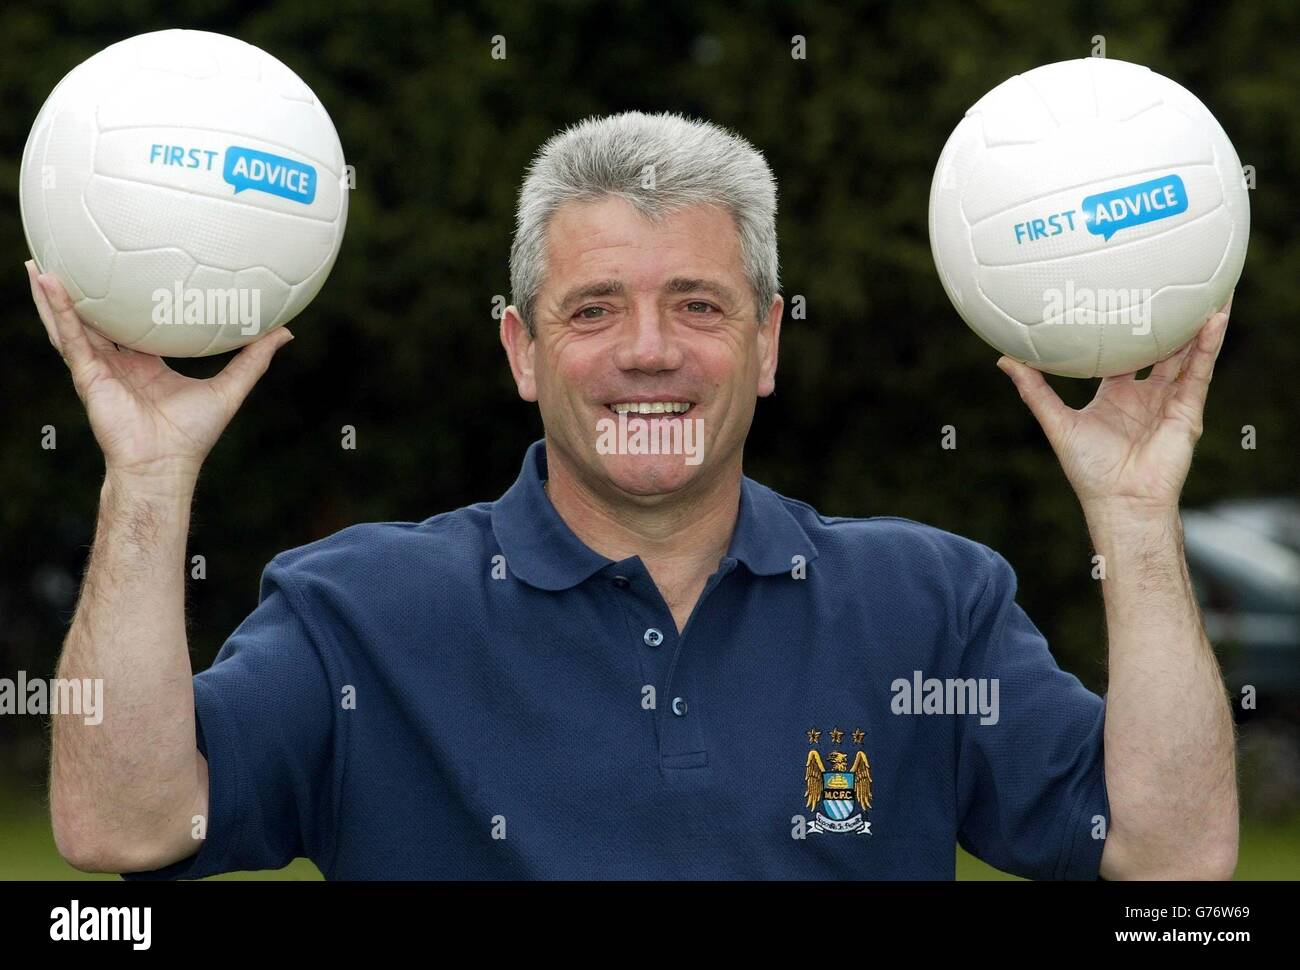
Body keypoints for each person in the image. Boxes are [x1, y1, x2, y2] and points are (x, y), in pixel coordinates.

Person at [38, 111, 1236, 880]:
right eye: (594, 308)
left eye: (700, 306)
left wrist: (1132, 515)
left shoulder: (930, 603)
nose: (649, 350)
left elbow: (1174, 857)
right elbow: (124, 827)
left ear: (768, 343)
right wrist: (148, 477)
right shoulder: (356, 610)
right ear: (520, 350)